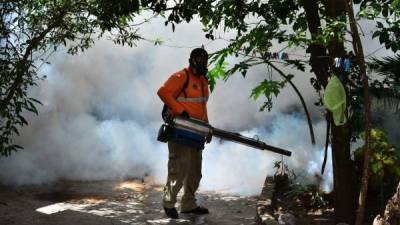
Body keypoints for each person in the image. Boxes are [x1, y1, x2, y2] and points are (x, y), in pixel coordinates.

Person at [157, 48, 210, 219]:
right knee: (178, 170)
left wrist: (207, 128)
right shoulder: (181, 76)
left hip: (196, 132)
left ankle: (188, 205)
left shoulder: (203, 81)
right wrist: (180, 110)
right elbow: (163, 92)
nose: (202, 63)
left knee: (195, 172)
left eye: (205, 60)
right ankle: (168, 203)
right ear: (192, 60)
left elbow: (202, 106)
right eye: (199, 59)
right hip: (180, 130)